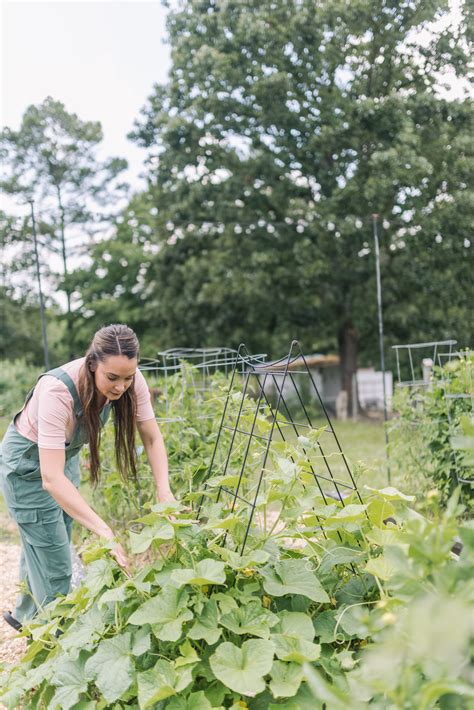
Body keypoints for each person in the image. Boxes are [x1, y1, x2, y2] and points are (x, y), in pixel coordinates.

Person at [0, 324, 175, 631]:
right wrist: (104, 532)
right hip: (28, 466)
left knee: (49, 539)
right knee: (56, 565)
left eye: (128, 377)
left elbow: (151, 438)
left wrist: (165, 491)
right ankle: (52, 646)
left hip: (62, 456)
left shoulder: (132, 381)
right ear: (92, 364)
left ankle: (25, 617)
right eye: (112, 378)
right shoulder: (57, 392)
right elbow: (50, 478)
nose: (121, 387)